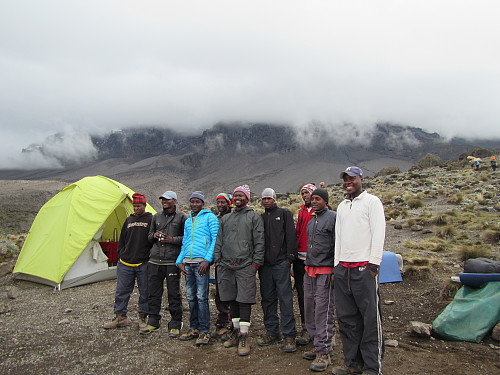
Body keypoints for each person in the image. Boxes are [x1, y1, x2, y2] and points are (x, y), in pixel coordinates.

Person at [332, 166, 386, 375]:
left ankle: (373, 367)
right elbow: (339, 238)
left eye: (352, 178)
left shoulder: (372, 202)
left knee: (370, 319)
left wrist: (373, 265)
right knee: (347, 319)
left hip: (364, 268)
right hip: (343, 268)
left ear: (361, 179)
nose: (348, 182)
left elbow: (378, 232)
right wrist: (337, 265)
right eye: (345, 179)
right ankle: (353, 363)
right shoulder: (343, 206)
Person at [213, 184, 265, 356]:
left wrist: (255, 264)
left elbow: (259, 242)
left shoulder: (254, 218)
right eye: (235, 195)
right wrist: (218, 261)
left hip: (245, 266)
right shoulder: (226, 219)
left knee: (244, 300)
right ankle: (235, 332)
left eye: (241, 196)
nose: (237, 198)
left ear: (247, 198)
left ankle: (244, 336)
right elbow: (219, 240)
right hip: (226, 265)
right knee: (232, 299)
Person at [140, 191, 187, 337]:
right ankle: (153, 321)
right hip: (155, 260)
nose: (164, 202)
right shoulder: (156, 217)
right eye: (162, 200)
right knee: (153, 293)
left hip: (172, 261)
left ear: (174, 200)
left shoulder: (182, 218)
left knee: (173, 293)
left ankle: (175, 323)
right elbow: (148, 237)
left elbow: (186, 239)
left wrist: (172, 240)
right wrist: (154, 236)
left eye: (167, 199)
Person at [103, 193, 153, 330]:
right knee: (122, 291)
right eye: (134, 206)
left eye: (139, 206)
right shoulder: (128, 220)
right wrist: (121, 255)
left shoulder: (150, 219)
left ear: (145, 205)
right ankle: (120, 317)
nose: (136, 208)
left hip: (143, 262)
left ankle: (143, 318)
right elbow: (122, 239)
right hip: (126, 263)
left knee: (145, 291)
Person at [257, 188, 298, 353]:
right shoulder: (260, 218)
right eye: (264, 199)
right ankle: (272, 332)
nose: (266, 201)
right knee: (267, 299)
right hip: (265, 266)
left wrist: (289, 258)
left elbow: (291, 236)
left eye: (269, 198)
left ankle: (289, 335)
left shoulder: (284, 213)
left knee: (285, 299)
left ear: (274, 199)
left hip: (281, 264)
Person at [176, 191, 219, 345]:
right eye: (192, 201)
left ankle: (204, 331)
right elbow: (185, 242)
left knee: (202, 297)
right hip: (188, 263)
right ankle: (193, 328)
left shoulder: (210, 217)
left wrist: (207, 260)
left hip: (201, 263)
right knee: (190, 297)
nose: (194, 204)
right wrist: (179, 261)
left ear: (202, 203)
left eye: (197, 201)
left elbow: (215, 240)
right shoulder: (188, 221)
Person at [301, 188, 336, 372]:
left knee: (324, 310)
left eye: (317, 199)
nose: (313, 201)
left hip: (326, 270)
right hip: (310, 269)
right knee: (310, 308)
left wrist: (335, 271)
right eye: (312, 199)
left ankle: (325, 351)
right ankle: (317, 344)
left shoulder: (333, 218)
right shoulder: (311, 220)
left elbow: (338, 244)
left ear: (325, 201)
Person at [294, 183, 316, 345]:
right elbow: (298, 233)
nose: (304, 196)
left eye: (306, 193)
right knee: (302, 294)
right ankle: (306, 326)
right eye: (302, 193)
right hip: (300, 259)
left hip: (316, 261)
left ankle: (319, 328)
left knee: (317, 295)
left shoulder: (321, 211)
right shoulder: (301, 211)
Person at [211, 193, 234, 340]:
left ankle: (230, 321)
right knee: (219, 291)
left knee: (230, 291)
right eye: (218, 202)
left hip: (232, 260)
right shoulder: (216, 219)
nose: (220, 205)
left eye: (222, 202)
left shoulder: (233, 217)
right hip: (219, 260)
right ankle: (223, 318)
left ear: (228, 203)